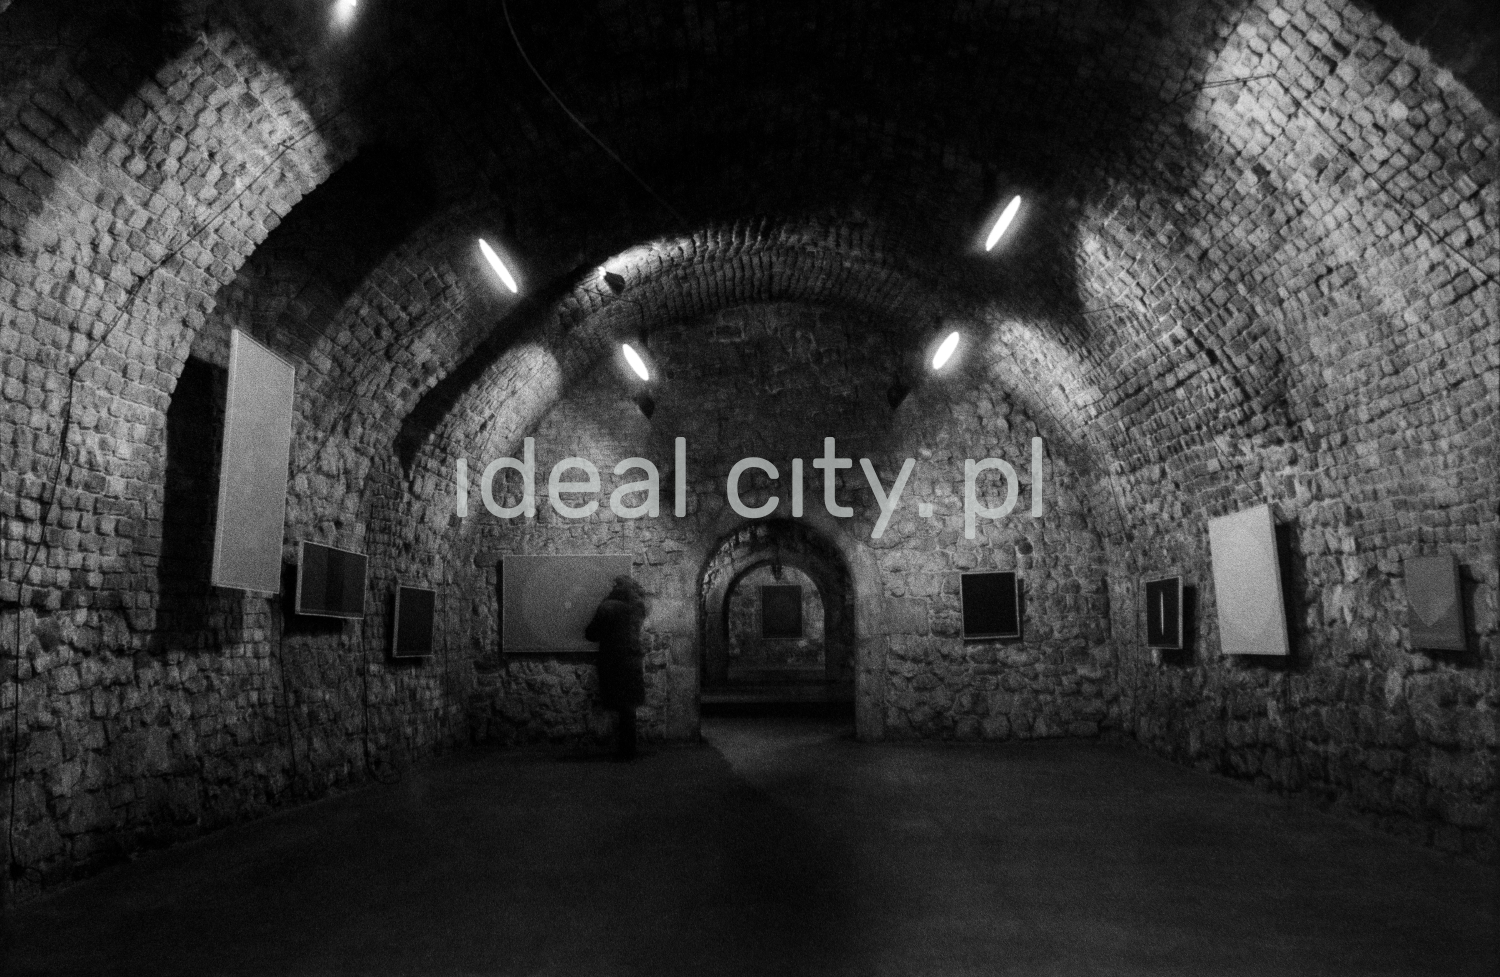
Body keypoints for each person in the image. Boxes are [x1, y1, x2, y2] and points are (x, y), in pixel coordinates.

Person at [584, 575, 646, 760]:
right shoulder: (638, 607)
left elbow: (591, 634)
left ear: (615, 587)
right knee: (628, 708)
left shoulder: (607, 607)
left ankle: (620, 748)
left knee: (616, 704)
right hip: (633, 661)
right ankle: (628, 749)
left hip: (613, 662)